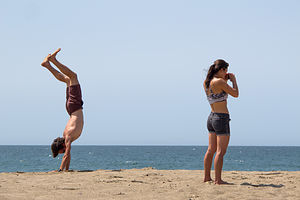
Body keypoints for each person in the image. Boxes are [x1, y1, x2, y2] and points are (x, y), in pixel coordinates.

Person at [41, 48, 84, 172]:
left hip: (74, 106)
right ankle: (47, 65)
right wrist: (67, 170)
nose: (63, 152)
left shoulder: (68, 137)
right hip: (71, 108)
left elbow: (66, 154)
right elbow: (68, 155)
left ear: (61, 147)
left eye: (60, 151)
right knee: (67, 79)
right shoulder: (66, 135)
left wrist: (60, 170)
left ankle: (53, 61)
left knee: (73, 76)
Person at [203, 59, 239, 184]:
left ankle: (207, 177)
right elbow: (235, 94)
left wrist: (225, 79)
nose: (227, 73)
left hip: (211, 117)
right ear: (222, 70)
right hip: (221, 118)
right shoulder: (220, 82)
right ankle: (218, 180)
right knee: (220, 151)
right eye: (226, 70)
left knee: (210, 149)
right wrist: (233, 80)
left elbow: (218, 88)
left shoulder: (207, 82)